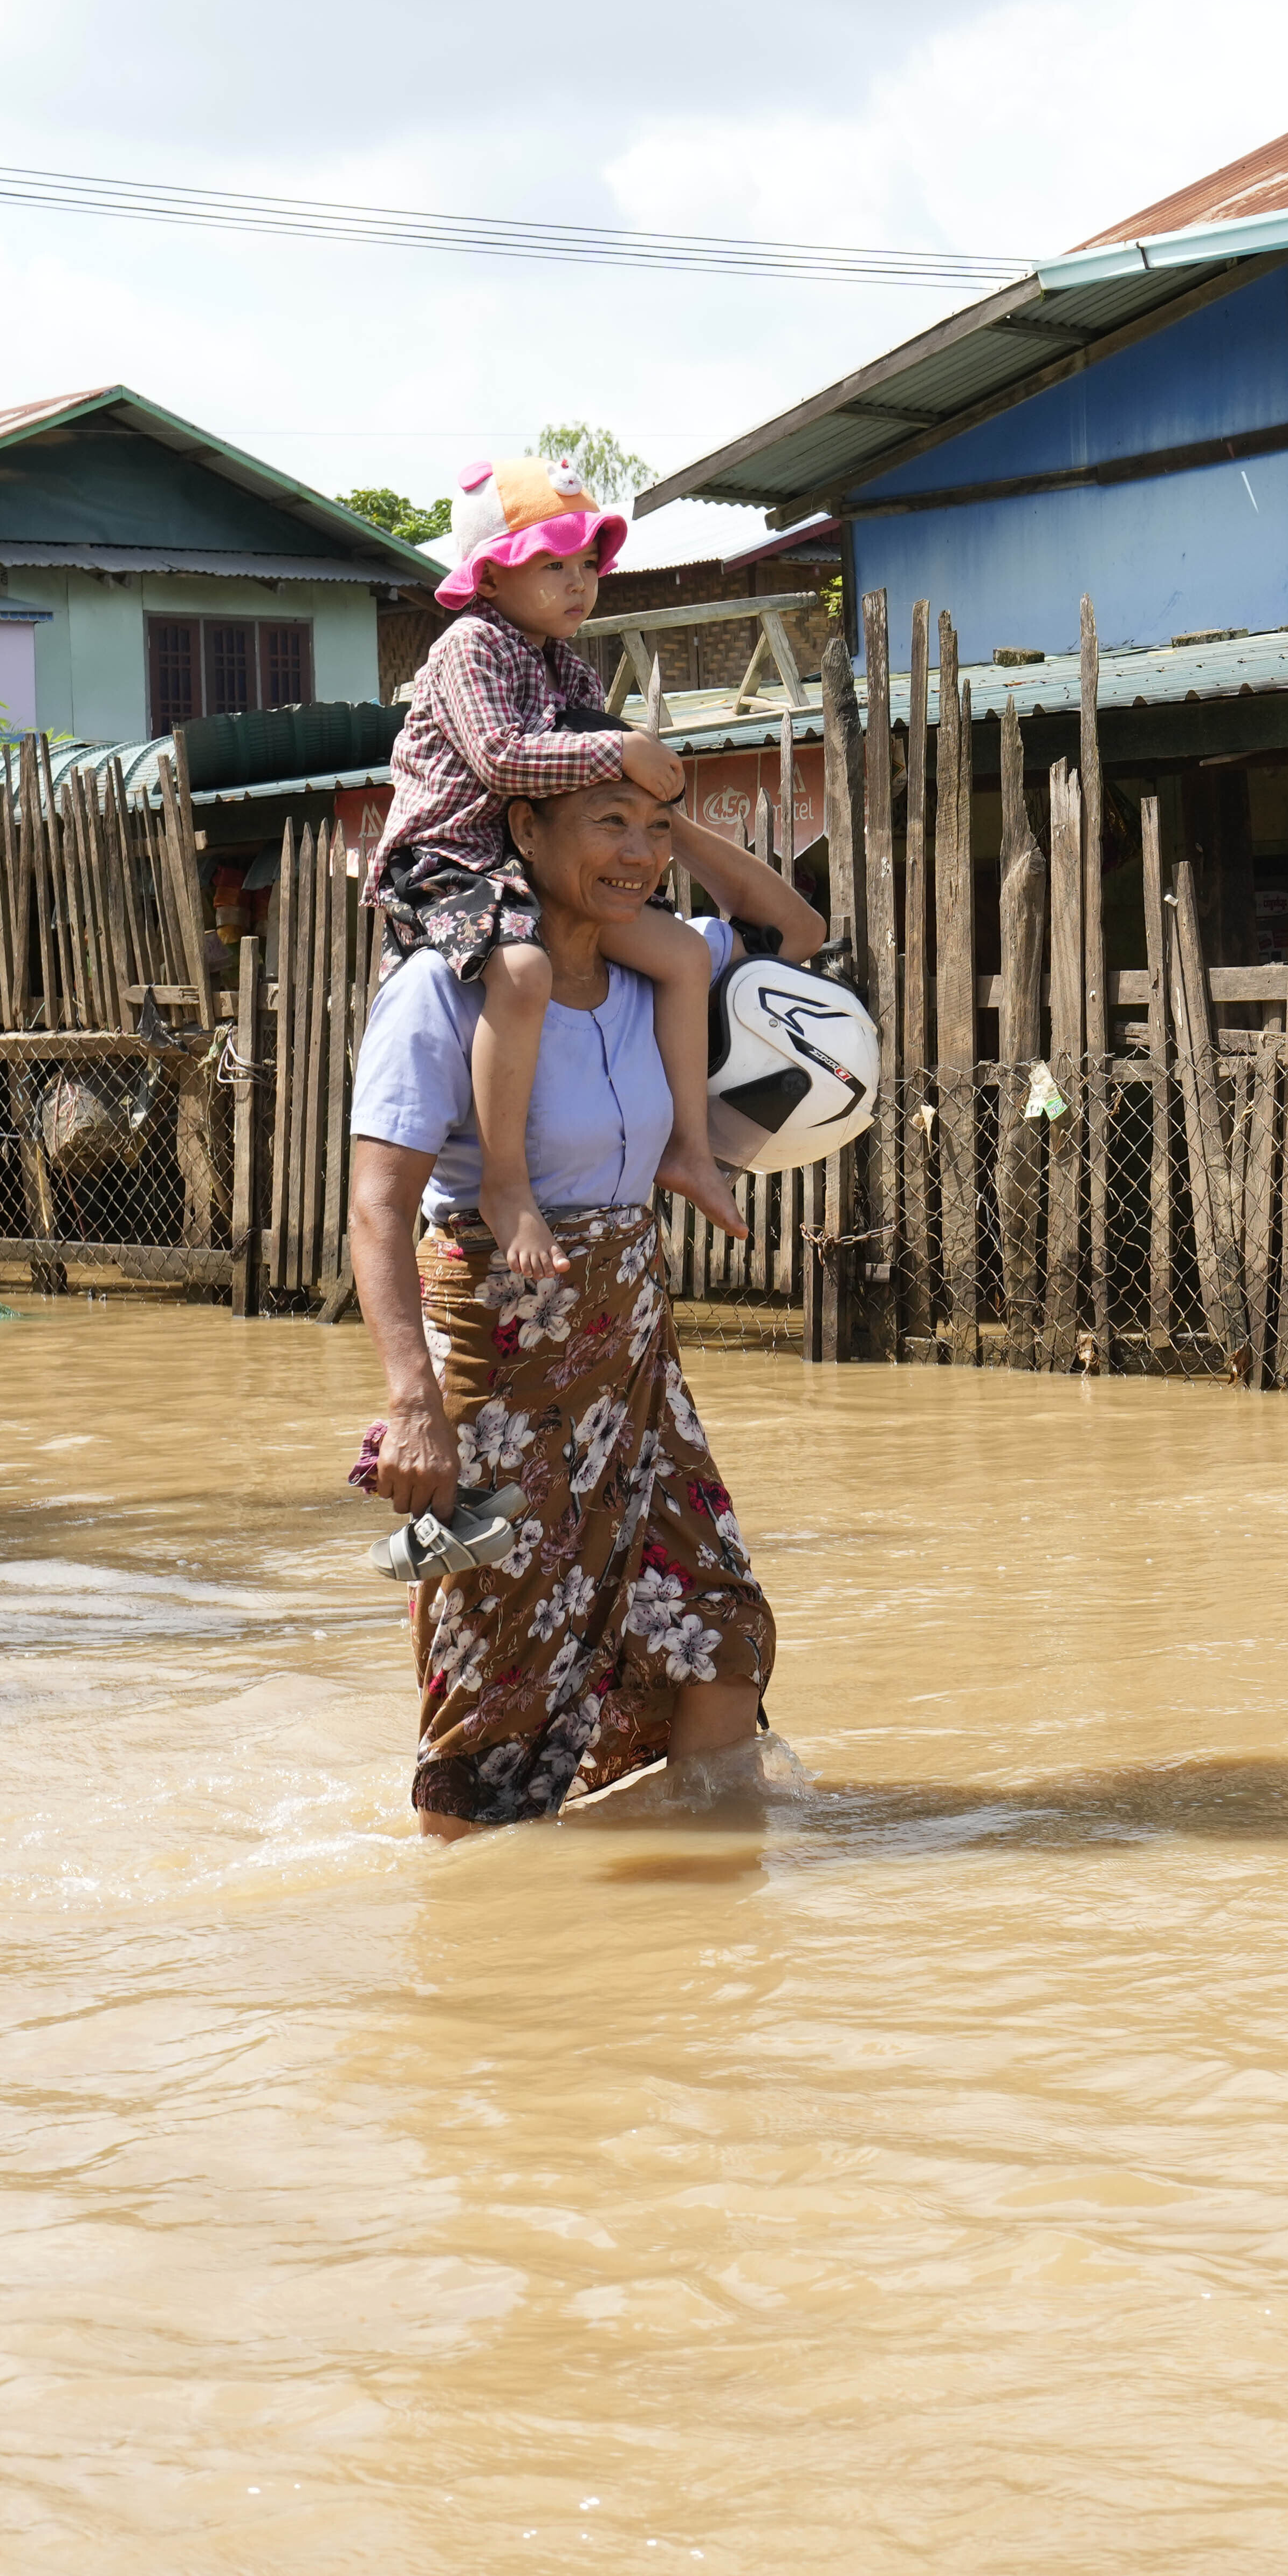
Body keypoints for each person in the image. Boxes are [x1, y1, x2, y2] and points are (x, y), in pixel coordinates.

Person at [346, 761, 827, 1837]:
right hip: (504, 1350)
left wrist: (668, 824)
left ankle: (702, 1898)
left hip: (633, 1346)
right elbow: (377, 1209)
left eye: (652, 832)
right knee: (502, 1668)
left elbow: (790, 926)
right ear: (522, 825)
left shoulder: (662, 970)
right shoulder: (447, 987)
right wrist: (412, 1403)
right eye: (606, 823)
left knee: (717, 1626)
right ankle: (474, 1915)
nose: (639, 852)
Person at [370, 454, 746, 1279]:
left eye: (587, 565)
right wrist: (621, 748)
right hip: (448, 861)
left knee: (683, 956)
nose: (579, 584)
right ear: (491, 578)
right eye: (554, 565)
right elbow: (504, 759)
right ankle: (506, 1183)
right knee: (525, 972)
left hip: (518, 866)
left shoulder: (564, 662)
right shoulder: (470, 645)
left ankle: (686, 1148)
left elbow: (596, 772)